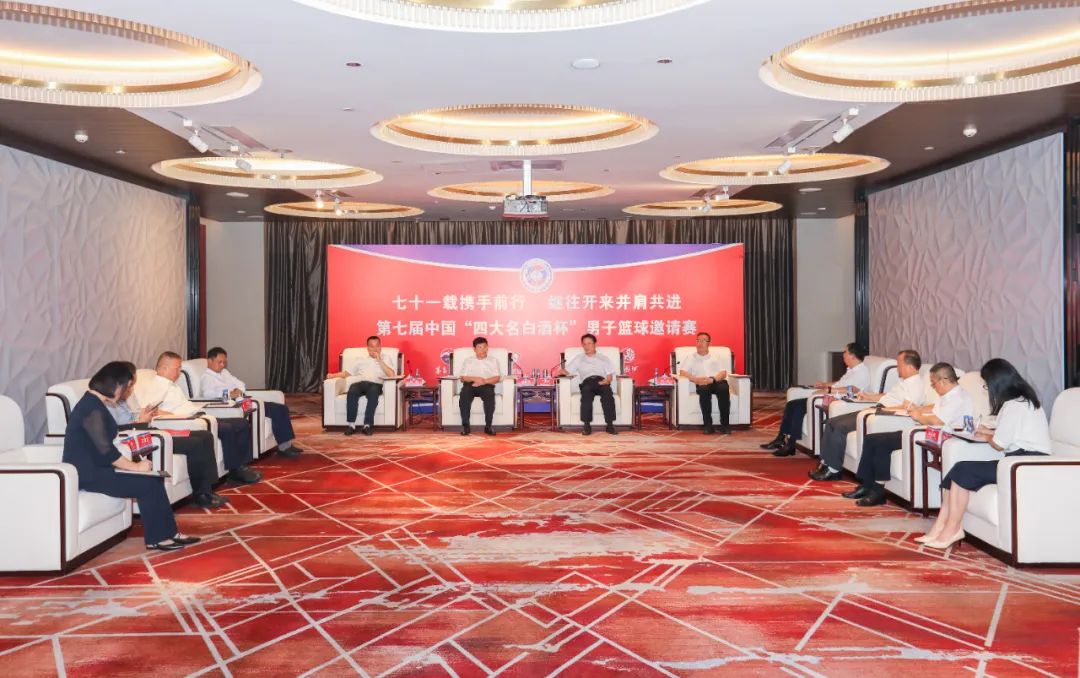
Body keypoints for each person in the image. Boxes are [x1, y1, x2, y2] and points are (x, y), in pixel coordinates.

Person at [63, 362, 200, 551]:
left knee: (154, 480)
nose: (127, 392)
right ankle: (158, 538)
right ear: (116, 385)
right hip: (88, 474)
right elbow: (106, 451)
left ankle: (169, 533)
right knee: (147, 484)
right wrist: (135, 467)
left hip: (99, 468)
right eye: (127, 386)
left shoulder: (94, 403)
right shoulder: (91, 408)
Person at [918, 358, 1051, 549]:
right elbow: (1011, 434)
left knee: (962, 470)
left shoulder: (1014, 406)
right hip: (1018, 460)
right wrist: (987, 431)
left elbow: (998, 444)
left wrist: (988, 436)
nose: (987, 390)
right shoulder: (1021, 401)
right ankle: (941, 526)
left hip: (1025, 464)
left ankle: (952, 529)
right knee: (957, 470)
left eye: (987, 385)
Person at [845, 361, 972, 506]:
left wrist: (919, 416)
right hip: (924, 432)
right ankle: (866, 484)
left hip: (933, 437)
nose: (933, 386)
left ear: (943, 380)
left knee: (882, 444)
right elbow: (935, 407)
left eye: (933, 383)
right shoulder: (949, 394)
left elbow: (938, 421)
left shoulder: (959, 398)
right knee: (871, 439)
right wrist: (919, 409)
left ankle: (878, 492)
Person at [108, 362, 227, 509]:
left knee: (205, 435)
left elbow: (134, 415)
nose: (132, 389)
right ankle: (201, 495)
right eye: (130, 384)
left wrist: (144, 415)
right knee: (195, 443)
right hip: (141, 438)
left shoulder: (125, 398)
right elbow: (117, 429)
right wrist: (141, 421)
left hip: (148, 429)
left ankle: (209, 488)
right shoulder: (109, 403)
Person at [136, 351, 261, 484]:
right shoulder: (157, 385)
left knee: (241, 423)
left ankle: (242, 464)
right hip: (188, 421)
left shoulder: (171, 384)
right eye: (176, 368)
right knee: (227, 428)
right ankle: (235, 470)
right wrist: (173, 415)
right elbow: (149, 410)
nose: (179, 372)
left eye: (180, 368)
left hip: (198, 416)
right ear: (164, 368)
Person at [810, 349, 925, 482]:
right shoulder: (903, 381)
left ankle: (833, 470)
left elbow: (907, 408)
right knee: (832, 422)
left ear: (910, 366)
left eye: (899, 364)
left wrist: (882, 410)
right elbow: (887, 396)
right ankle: (825, 463)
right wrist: (869, 396)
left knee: (841, 427)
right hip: (877, 409)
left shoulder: (916, 385)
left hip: (883, 414)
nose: (897, 368)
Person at [767, 342, 870, 457]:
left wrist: (829, 390)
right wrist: (824, 384)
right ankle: (781, 438)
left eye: (845, 352)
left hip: (837, 399)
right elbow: (840, 383)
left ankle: (791, 444)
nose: (843, 355)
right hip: (830, 394)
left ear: (852, 355)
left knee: (799, 408)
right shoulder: (852, 370)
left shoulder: (862, 372)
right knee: (792, 404)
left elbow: (853, 389)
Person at [202, 346, 301, 457]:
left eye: (224, 362)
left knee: (281, 408)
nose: (222, 365)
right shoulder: (207, 378)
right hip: (234, 406)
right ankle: (284, 448)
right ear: (210, 361)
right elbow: (208, 394)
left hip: (243, 400)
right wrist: (229, 394)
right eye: (219, 362)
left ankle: (287, 445)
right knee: (276, 410)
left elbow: (241, 384)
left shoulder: (224, 372)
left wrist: (238, 390)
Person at [326, 335, 397, 436]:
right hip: (362, 383)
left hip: (376, 385)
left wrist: (379, 360)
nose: (375, 349)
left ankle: (367, 425)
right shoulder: (361, 359)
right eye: (372, 346)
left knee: (373, 393)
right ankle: (351, 425)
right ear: (368, 348)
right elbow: (346, 373)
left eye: (377, 346)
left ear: (380, 347)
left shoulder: (386, 358)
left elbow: (392, 374)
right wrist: (333, 375)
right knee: (352, 390)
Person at [554, 333, 619, 436]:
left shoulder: (603, 358)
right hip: (587, 382)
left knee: (607, 393)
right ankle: (586, 425)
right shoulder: (579, 358)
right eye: (584, 344)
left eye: (589, 343)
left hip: (601, 381)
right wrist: (561, 371)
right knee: (586, 393)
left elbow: (610, 376)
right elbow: (568, 371)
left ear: (595, 344)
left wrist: (607, 381)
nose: (587, 346)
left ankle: (610, 425)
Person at [676, 331, 731, 435]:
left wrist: (713, 379)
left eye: (703, 341)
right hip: (701, 382)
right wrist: (695, 379)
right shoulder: (690, 357)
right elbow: (683, 372)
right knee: (703, 391)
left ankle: (725, 425)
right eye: (698, 341)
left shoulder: (716, 357)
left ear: (709, 343)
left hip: (716, 381)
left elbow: (723, 373)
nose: (700, 343)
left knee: (723, 389)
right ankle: (708, 425)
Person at [456, 336, 502, 436]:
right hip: (470, 384)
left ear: (487, 347)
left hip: (486, 384)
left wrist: (484, 381)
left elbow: (497, 378)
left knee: (490, 396)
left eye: (484, 347)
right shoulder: (468, 360)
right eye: (479, 347)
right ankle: (466, 426)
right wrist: (475, 378)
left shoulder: (493, 360)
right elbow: (463, 377)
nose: (483, 350)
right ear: (474, 349)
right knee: (464, 395)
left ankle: (488, 426)